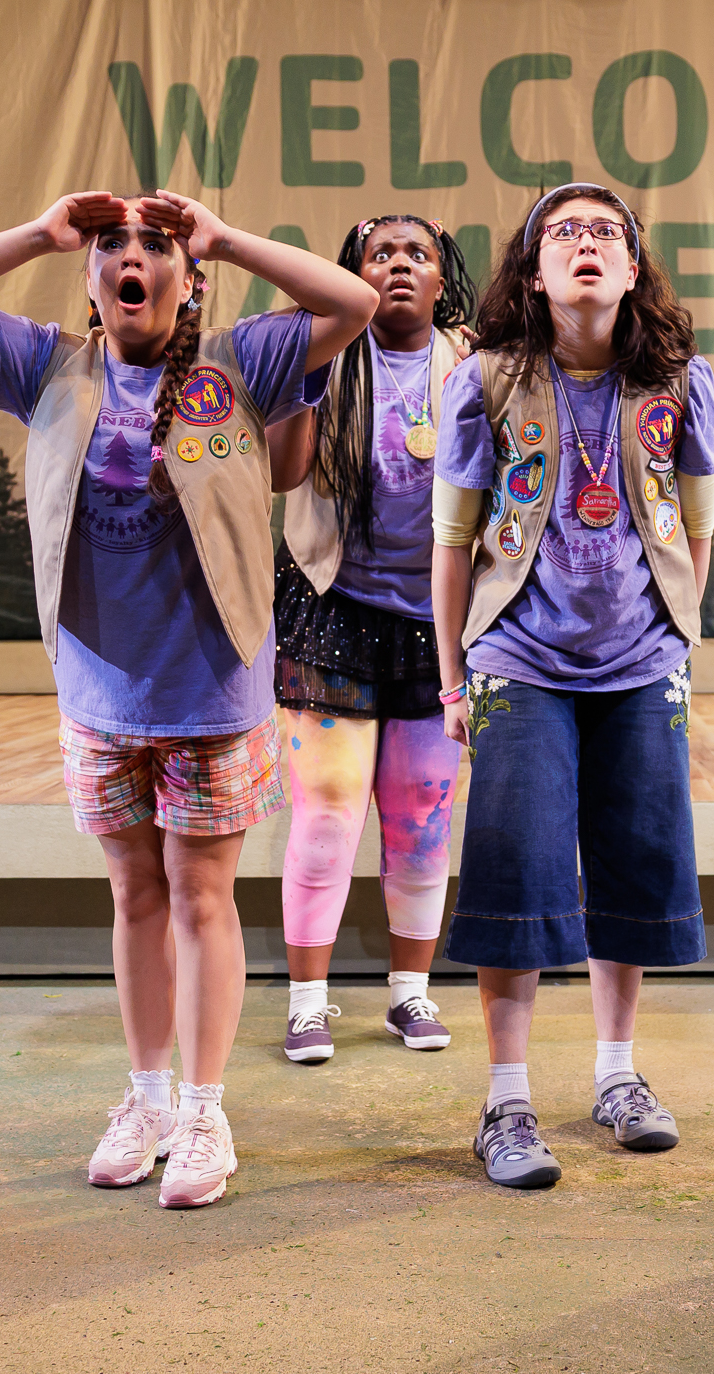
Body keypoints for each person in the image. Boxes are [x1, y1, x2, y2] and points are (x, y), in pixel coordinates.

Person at [0, 189, 376, 1207]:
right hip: (99, 695)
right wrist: (37, 230)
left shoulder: (238, 366)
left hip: (213, 691)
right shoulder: (50, 367)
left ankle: (202, 1111)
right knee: (132, 893)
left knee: (200, 898)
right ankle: (145, 1097)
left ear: (188, 278)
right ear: (92, 277)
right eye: (113, 248)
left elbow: (352, 302)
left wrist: (225, 237)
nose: (131, 261)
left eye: (153, 247)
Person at [431, 182, 714, 1189]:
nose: (587, 245)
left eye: (606, 233)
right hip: (518, 656)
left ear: (634, 265)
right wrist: (449, 674)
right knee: (512, 873)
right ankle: (504, 1099)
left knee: (630, 865)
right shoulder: (486, 379)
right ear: (533, 264)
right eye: (565, 233)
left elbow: (697, 522)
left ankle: (615, 1075)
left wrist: (677, 635)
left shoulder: (680, 382)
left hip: (641, 662)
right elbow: (452, 540)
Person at [264, 214, 478, 1063]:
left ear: (440, 281)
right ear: (351, 277)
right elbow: (284, 472)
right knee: (325, 815)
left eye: (415, 255)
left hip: (438, 624)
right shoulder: (318, 355)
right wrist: (310, 370)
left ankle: (410, 996)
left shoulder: (474, 367)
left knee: (422, 818)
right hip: (332, 606)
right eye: (378, 254)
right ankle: (309, 1004)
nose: (397, 265)